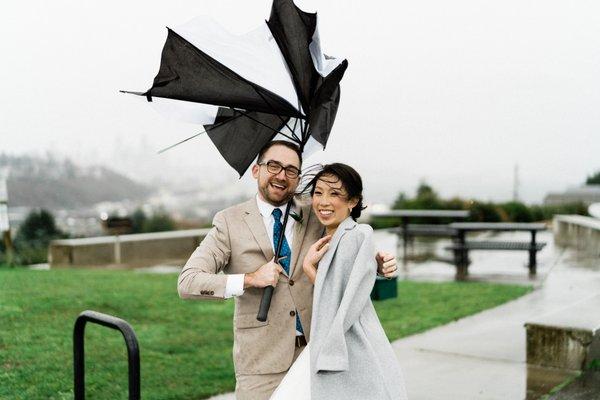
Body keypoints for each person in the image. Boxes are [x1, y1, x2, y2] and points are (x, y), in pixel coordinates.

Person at [177, 141, 398, 400]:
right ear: (256, 170)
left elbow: (348, 244)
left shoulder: (316, 208)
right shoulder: (229, 222)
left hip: (318, 353)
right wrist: (249, 279)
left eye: (291, 170)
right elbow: (188, 282)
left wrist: (377, 263)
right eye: (273, 166)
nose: (281, 175)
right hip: (261, 364)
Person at [270, 163, 408, 400]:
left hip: (346, 342)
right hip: (331, 338)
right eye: (318, 192)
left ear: (353, 201)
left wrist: (309, 268)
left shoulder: (357, 235)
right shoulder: (332, 238)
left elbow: (343, 301)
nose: (323, 202)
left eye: (334, 194)